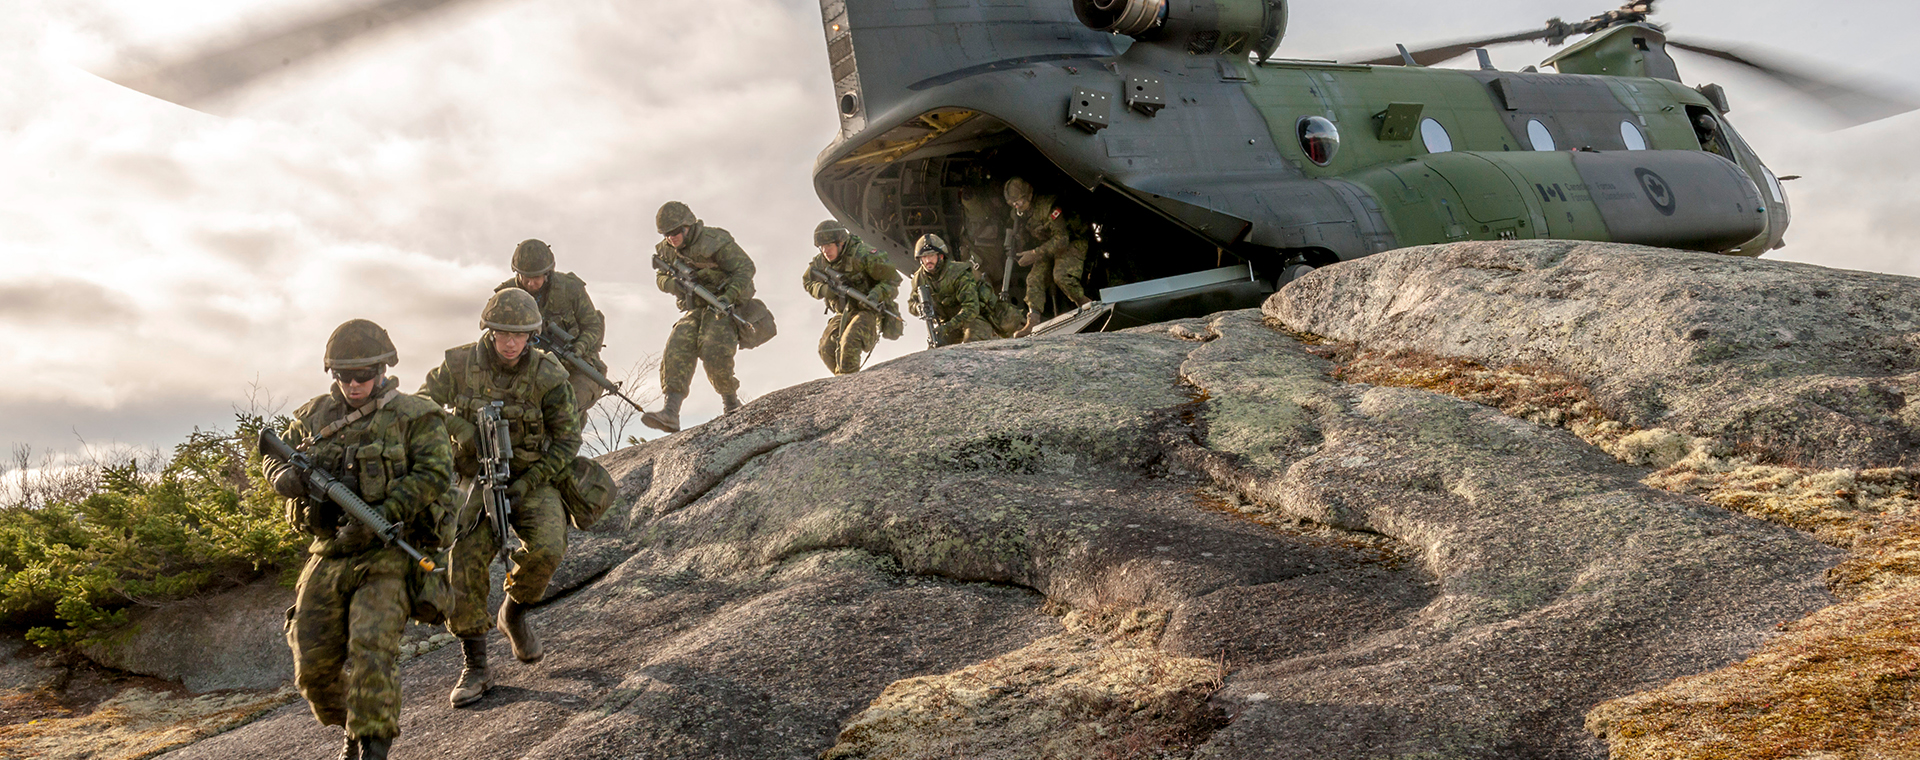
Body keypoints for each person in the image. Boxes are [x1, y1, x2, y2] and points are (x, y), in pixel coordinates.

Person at [267, 319, 453, 760]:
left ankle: (373, 744)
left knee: (373, 651)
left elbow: (435, 473)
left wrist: (382, 515)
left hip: (387, 552)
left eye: (363, 376)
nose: (353, 385)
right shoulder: (312, 417)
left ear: (383, 369)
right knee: (312, 670)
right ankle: (353, 723)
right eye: (343, 376)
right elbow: (272, 459)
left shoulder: (415, 416)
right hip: (328, 552)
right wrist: (284, 478)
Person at [419, 288, 580, 709]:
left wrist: (534, 481)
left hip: (531, 477)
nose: (511, 342)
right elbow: (418, 405)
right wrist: (459, 428)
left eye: (521, 334)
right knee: (464, 559)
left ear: (533, 334)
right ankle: (476, 666)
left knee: (548, 546)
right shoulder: (458, 364)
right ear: (489, 331)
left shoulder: (549, 375)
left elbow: (567, 440)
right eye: (503, 332)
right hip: (476, 477)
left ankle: (514, 610)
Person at [642, 201, 757, 433]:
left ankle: (731, 404)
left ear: (688, 226)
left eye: (675, 232)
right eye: (666, 234)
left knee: (714, 348)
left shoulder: (715, 241)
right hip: (696, 307)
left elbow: (746, 268)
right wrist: (673, 284)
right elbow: (660, 277)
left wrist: (729, 295)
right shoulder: (666, 249)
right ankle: (670, 412)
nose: (671, 238)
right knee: (677, 344)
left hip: (724, 303)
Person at [496, 238, 607, 427]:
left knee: (567, 409)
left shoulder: (570, 288)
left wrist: (579, 346)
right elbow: (494, 339)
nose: (530, 283)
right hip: (524, 371)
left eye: (536, 277)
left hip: (574, 366)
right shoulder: (505, 296)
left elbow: (593, 325)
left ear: (548, 273)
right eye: (525, 277)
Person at [803, 219, 901, 375]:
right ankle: (844, 380)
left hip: (868, 310)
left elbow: (893, 280)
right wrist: (823, 289)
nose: (825, 251)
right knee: (825, 348)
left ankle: (849, 387)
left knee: (849, 343)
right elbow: (807, 280)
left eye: (828, 246)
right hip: (844, 312)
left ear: (840, 243)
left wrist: (876, 294)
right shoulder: (820, 262)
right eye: (822, 247)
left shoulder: (863, 255)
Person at [1004, 177, 1093, 336]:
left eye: (1019, 202)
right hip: (1048, 245)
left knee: (1061, 276)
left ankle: (1087, 307)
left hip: (1071, 240)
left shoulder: (1048, 207)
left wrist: (1034, 254)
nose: (1017, 206)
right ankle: (1033, 322)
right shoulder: (1018, 214)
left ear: (1029, 196)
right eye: (1013, 204)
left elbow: (1062, 239)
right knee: (1033, 279)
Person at [907, 233, 996, 345]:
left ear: (941, 256)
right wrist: (918, 307)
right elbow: (911, 304)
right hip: (948, 324)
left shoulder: (958, 272)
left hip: (974, 319)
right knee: (936, 349)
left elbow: (971, 309)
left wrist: (947, 328)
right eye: (924, 257)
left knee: (972, 343)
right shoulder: (919, 278)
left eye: (931, 256)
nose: (928, 260)